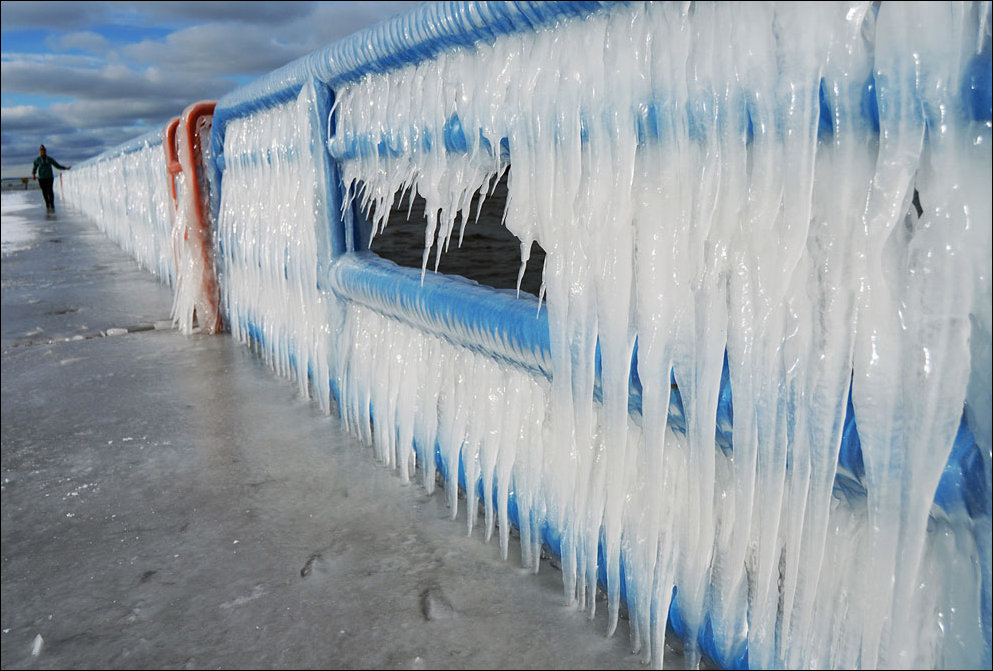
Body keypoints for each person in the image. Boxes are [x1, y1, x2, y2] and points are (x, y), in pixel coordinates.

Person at [31, 145, 71, 212]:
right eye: (41, 151)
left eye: (43, 151)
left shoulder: (49, 159)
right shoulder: (37, 160)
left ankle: (52, 204)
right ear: (39, 152)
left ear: (45, 151)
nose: (42, 152)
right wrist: (33, 174)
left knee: (50, 190)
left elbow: (56, 165)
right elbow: (34, 168)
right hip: (41, 178)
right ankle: (47, 203)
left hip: (49, 177)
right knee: (44, 191)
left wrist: (65, 168)